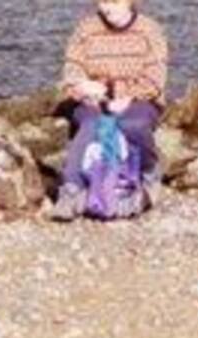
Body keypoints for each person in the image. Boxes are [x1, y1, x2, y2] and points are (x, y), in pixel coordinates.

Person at [50, 0, 169, 221]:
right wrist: (83, 87)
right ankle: (70, 190)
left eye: (113, 2)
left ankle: (149, 172)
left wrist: (127, 96)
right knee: (91, 124)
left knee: (132, 125)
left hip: (139, 99)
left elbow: (155, 80)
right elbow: (71, 71)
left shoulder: (150, 30)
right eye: (102, 1)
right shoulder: (86, 29)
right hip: (92, 100)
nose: (106, 8)